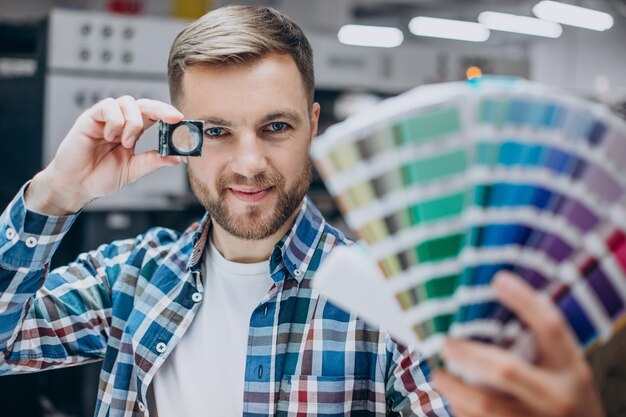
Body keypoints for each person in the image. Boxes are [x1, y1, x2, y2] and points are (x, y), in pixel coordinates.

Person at [0, 4, 605, 417]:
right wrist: (58, 192)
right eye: (215, 132)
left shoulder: (394, 301)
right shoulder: (130, 277)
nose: (249, 163)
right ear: (178, 137)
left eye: (276, 127)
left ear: (312, 126)